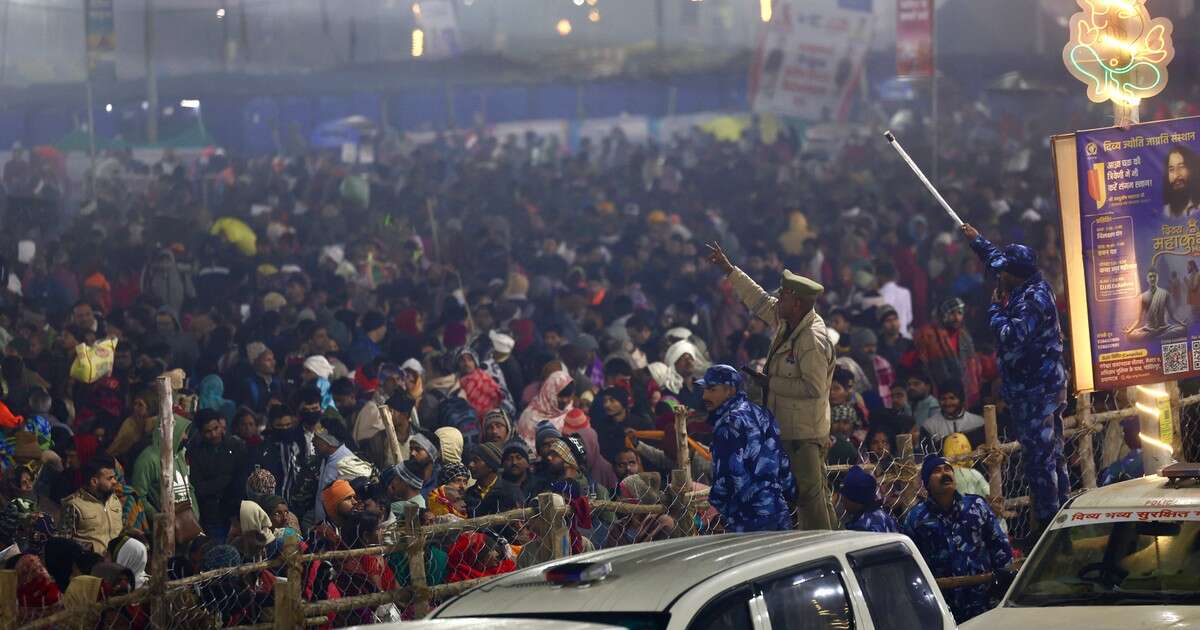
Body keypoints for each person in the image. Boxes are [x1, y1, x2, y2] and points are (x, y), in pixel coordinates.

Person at [706, 242, 836, 530]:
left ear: (798, 303)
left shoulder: (810, 340)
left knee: (810, 498)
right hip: (789, 426)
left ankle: (823, 551)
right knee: (809, 495)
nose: (778, 301)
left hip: (804, 433)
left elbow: (813, 388)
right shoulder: (790, 321)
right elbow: (760, 301)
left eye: (784, 296)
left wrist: (771, 383)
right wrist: (730, 270)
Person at [964, 223, 1071, 536]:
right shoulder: (1029, 282)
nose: (998, 276)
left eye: (1004, 273)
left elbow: (1011, 337)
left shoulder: (1030, 301)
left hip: (1036, 392)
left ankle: (1051, 526)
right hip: (1045, 386)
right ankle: (1060, 511)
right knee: (1053, 454)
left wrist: (996, 308)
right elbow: (999, 261)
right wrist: (977, 241)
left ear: (1015, 274)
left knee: (1041, 461)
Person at [903, 456, 1012, 623]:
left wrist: (1005, 583)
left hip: (985, 601)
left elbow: (999, 544)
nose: (944, 474)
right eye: (937, 471)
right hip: (943, 607)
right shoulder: (916, 518)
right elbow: (910, 565)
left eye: (947, 469)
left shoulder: (976, 506)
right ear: (927, 483)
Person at [698, 365, 796, 532]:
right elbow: (782, 461)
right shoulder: (762, 413)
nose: (705, 396)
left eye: (712, 389)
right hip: (777, 510)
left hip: (746, 518)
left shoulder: (727, 424)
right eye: (705, 390)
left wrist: (718, 508)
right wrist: (789, 494)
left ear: (729, 390)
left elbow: (728, 475)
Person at [911, 297, 982, 409]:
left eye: (960, 313)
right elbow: (925, 366)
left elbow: (972, 368)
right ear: (943, 315)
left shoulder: (965, 336)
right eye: (952, 313)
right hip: (939, 393)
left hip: (964, 392)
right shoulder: (929, 336)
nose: (956, 317)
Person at [189, 409, 248, 538]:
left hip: (236, 511)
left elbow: (241, 481)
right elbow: (198, 487)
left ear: (221, 426)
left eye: (216, 428)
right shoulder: (196, 452)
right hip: (211, 514)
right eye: (208, 432)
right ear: (200, 432)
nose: (214, 434)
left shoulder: (236, 446)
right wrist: (225, 480)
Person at [58, 455, 123, 554]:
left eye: (114, 477)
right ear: (94, 481)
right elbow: (63, 543)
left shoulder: (114, 500)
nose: (115, 481)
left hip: (116, 565)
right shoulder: (74, 505)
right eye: (110, 478)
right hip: (90, 567)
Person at [1124, 270, 1188, 340]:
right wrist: (1129, 330)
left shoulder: (1165, 293)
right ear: (1147, 279)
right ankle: (1158, 337)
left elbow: (1171, 315)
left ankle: (1155, 337)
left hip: (1164, 328)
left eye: (1154, 276)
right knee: (1130, 335)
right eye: (1150, 277)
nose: (1152, 278)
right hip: (1149, 329)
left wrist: (1181, 323)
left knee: (1182, 329)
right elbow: (1138, 320)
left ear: (1157, 278)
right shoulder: (1142, 297)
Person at [921, 379, 985, 444]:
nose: (947, 403)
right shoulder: (929, 426)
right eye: (943, 399)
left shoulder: (979, 422)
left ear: (961, 399)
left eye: (952, 398)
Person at [837, 465, 899, 533]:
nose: (842, 500)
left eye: (845, 497)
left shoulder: (861, 527)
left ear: (856, 501)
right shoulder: (883, 515)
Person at [1162, 144, 1200, 218]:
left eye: (1181, 167)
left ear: (1191, 169)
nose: (1176, 175)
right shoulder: (1166, 211)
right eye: (1171, 169)